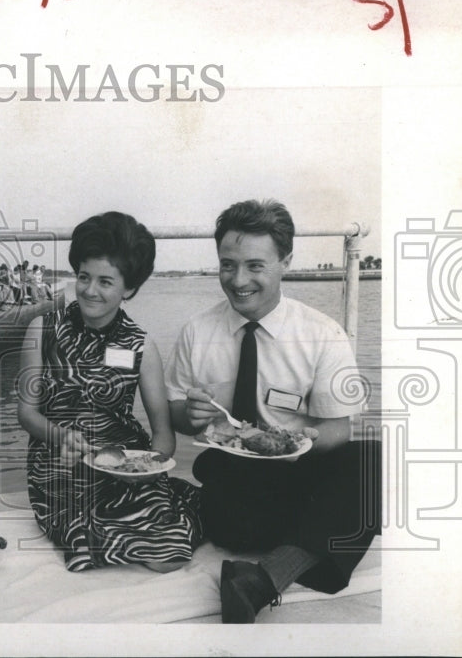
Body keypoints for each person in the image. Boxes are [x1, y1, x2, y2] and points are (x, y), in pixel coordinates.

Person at [166, 199, 381, 623]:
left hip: (299, 474)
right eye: (228, 265)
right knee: (326, 520)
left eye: (255, 266)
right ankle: (298, 554)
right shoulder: (196, 331)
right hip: (233, 486)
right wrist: (187, 415)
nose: (238, 280)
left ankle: (261, 580)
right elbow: (175, 414)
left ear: (285, 261)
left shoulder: (322, 334)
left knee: (373, 458)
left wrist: (306, 441)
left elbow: (338, 430)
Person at [17, 212, 203, 573]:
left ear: (128, 289)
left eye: (105, 281)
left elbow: (163, 433)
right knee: (84, 544)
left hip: (122, 466)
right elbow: (26, 413)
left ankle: (168, 510)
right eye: (84, 277)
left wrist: (146, 466)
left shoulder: (141, 345)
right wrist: (61, 436)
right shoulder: (42, 329)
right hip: (59, 465)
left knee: (168, 557)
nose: (90, 290)